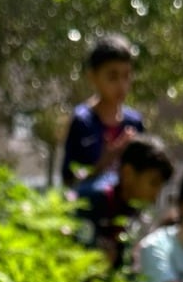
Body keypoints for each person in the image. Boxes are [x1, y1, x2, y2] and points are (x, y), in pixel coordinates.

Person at [75, 134, 174, 270]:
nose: (156, 195)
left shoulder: (133, 207)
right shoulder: (91, 201)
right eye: (153, 183)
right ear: (128, 173)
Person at [62, 35, 144, 189]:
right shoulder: (82, 121)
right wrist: (105, 161)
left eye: (126, 76)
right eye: (112, 77)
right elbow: (69, 181)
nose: (121, 85)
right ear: (93, 76)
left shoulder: (135, 123)